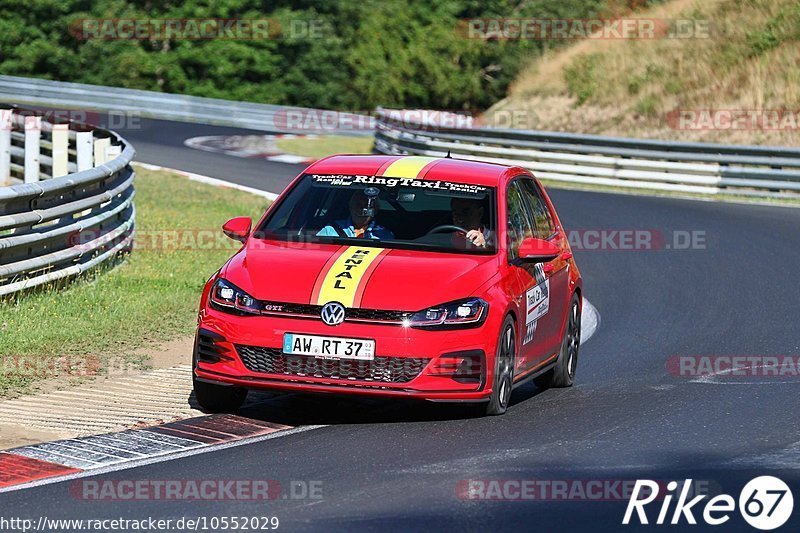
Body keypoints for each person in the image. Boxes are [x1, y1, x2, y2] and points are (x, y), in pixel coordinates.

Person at [317, 191, 394, 239]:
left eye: (367, 207)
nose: (361, 210)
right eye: (358, 205)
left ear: (375, 210)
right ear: (350, 207)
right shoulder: (330, 230)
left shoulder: (384, 235)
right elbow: (315, 252)